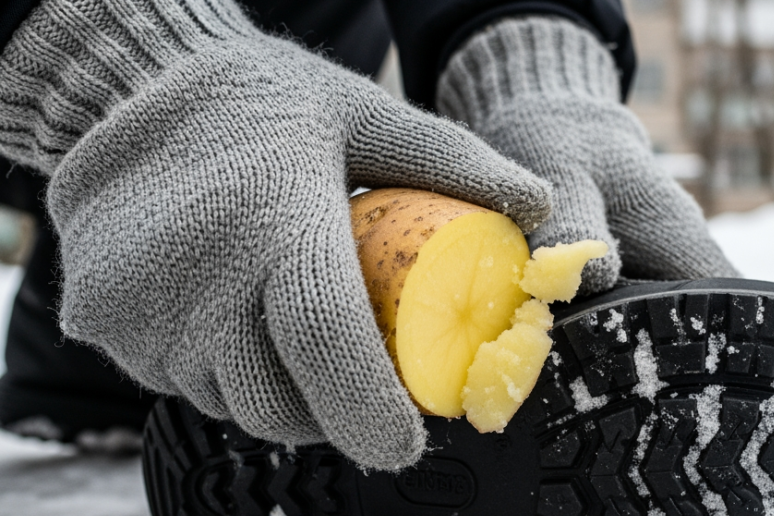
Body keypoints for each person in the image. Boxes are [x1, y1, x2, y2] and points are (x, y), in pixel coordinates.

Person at [0, 0, 774, 516]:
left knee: (271, 243)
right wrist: (109, 67)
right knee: (225, 214)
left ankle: (126, 359)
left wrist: (528, 56)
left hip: (276, 75)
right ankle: (147, 328)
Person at [0, 0, 736, 467]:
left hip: (293, 157)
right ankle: (93, 370)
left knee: (301, 319)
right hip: (61, 129)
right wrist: (108, 62)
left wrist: (526, 50)